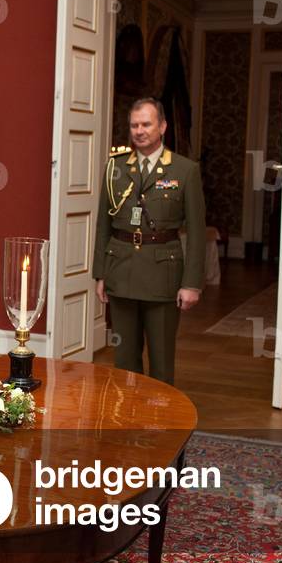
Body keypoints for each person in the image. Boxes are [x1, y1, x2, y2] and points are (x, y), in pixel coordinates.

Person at [92, 98, 205, 384]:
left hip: (162, 275)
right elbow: (103, 223)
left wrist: (191, 283)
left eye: (146, 124)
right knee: (124, 359)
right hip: (122, 272)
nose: (139, 130)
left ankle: (162, 422)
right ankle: (128, 418)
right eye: (134, 125)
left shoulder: (184, 170)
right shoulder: (115, 167)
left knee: (161, 358)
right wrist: (100, 273)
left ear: (162, 126)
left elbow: (196, 230)